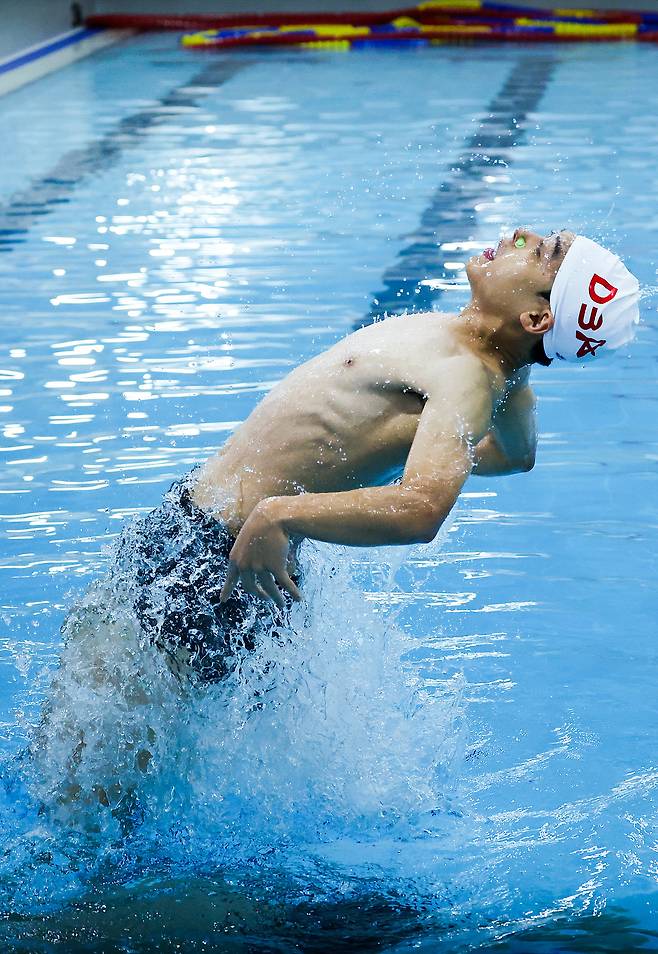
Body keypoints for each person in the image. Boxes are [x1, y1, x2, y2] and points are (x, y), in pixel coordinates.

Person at [72, 228, 643, 686]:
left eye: (540, 253)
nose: (521, 235)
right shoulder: (487, 369)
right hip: (215, 542)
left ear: (539, 318)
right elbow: (515, 457)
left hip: (222, 555)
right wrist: (509, 384)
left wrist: (277, 514)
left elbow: (422, 508)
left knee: (83, 788)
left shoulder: (469, 377)